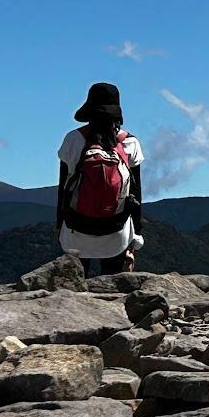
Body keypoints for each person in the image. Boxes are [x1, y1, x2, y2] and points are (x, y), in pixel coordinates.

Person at [56, 82, 144, 274]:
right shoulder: (130, 143)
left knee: (75, 288)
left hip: (77, 229)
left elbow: (63, 189)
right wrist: (136, 235)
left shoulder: (73, 139)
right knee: (112, 285)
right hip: (116, 230)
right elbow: (136, 194)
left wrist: (59, 226)